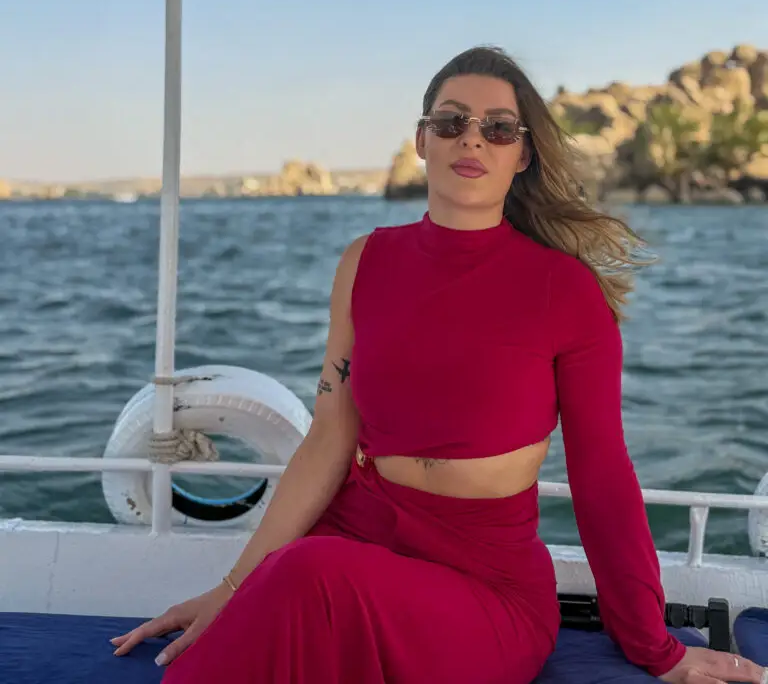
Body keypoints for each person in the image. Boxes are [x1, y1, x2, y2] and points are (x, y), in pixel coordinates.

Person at [112, 46, 766, 684]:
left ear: (523, 152)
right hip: (355, 537)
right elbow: (329, 437)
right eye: (451, 121)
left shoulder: (566, 291)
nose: (471, 140)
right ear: (423, 141)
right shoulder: (364, 262)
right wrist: (230, 589)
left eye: (498, 128)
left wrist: (656, 647)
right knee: (294, 588)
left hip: (484, 587)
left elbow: (602, 476)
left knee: (308, 580)